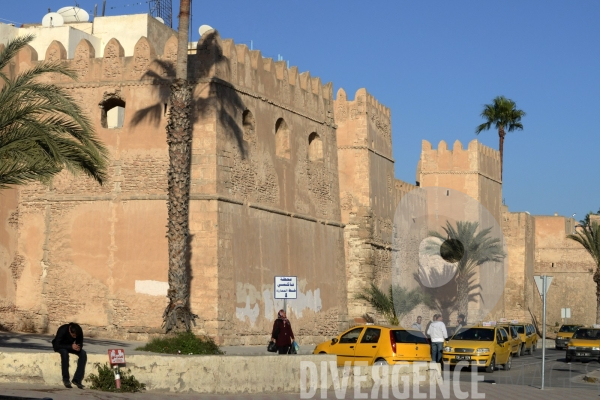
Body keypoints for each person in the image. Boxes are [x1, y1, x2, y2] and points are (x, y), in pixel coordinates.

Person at [52, 322, 87, 389]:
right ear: (69, 330)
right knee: (64, 353)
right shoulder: (62, 329)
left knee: (83, 353)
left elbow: (80, 342)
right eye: (73, 335)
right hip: (61, 346)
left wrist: (78, 347)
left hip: (71, 346)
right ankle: (66, 379)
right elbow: (56, 345)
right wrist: (70, 346)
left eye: (76, 336)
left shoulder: (79, 331)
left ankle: (77, 379)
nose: (75, 337)